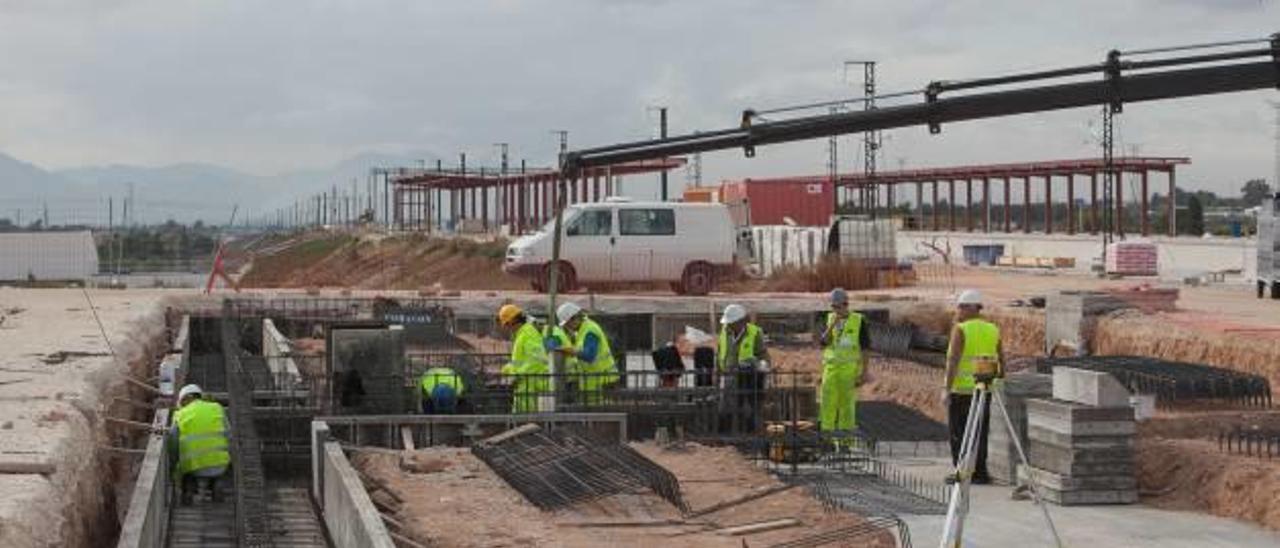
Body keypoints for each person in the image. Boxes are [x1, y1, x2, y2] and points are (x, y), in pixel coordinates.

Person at [943, 289, 1004, 485]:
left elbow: (953, 361)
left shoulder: (961, 329)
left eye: (960, 307)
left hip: (962, 391)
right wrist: (999, 380)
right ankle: (979, 473)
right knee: (980, 432)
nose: (958, 311)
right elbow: (1001, 359)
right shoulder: (993, 329)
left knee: (959, 433)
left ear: (971, 308)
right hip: (984, 389)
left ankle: (962, 472)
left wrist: (946, 388)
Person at [818, 288, 869, 442]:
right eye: (833, 307)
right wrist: (832, 325)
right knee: (827, 405)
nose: (836, 310)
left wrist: (864, 373)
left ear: (846, 305)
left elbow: (865, 348)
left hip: (849, 371)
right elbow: (822, 343)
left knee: (846, 407)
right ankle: (827, 441)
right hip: (831, 369)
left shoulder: (859, 320)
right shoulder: (829, 319)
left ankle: (845, 443)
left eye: (838, 307)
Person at [170, 384, 230, 505]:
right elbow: (229, 434)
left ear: (186, 398)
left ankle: (189, 494)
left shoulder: (180, 415)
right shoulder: (217, 408)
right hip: (220, 464)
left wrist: (173, 465)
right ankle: (217, 487)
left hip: (194, 466)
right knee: (218, 473)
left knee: (186, 476)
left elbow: (173, 444)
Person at [717, 303, 770, 433]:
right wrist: (718, 372)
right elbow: (720, 353)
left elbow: (763, 355)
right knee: (726, 408)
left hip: (750, 377)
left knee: (750, 409)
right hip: (730, 376)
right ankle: (726, 437)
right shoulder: (725, 332)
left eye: (731, 323)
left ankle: (750, 436)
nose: (728, 325)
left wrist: (759, 364)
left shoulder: (755, 332)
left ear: (741, 321)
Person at [554, 302, 618, 405]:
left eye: (567, 324)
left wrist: (569, 351)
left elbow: (589, 355)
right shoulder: (583, 330)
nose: (567, 327)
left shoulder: (590, 330)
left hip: (601, 382)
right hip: (595, 382)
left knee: (602, 415)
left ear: (574, 318)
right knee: (597, 416)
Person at [496, 304, 550, 413]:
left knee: (527, 421)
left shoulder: (528, 333)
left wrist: (516, 375)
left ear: (511, 322)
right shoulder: (522, 334)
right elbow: (520, 361)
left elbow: (537, 360)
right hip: (524, 386)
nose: (506, 329)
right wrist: (506, 369)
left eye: (506, 325)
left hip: (530, 387)